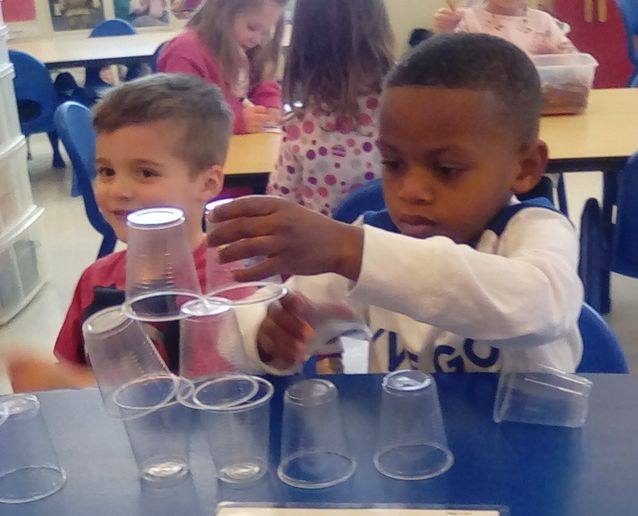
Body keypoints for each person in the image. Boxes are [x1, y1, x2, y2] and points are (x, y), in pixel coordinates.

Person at [208, 34, 584, 375]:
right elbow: (239, 330)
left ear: (526, 167)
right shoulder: (379, 238)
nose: (411, 190)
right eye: (393, 163)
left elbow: (540, 307)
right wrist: (267, 335)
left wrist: (350, 249)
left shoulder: (535, 230)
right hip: (409, 444)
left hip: (528, 445)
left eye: (447, 169)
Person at [7, 74, 235, 392]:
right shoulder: (95, 280)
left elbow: (211, 395)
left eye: (146, 172)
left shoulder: (227, 281)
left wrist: (69, 383)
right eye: (106, 171)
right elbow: (69, 371)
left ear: (207, 183)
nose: (118, 190)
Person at [266, 0, 394, 216]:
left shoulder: (301, 126)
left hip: (320, 248)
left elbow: (278, 208)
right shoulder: (407, 111)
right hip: (394, 247)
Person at [157, 0, 287, 134]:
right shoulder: (184, 52)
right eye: (252, 27)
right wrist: (236, 122)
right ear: (222, 11)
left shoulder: (246, 47)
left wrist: (271, 105)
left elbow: (263, 84)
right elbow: (182, 119)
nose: (257, 39)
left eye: (265, 32)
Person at [434, 0, 577, 55]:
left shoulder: (543, 22)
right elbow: (451, 69)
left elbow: (576, 68)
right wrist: (446, 33)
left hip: (537, 104)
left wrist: (556, 54)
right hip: (483, 107)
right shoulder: (467, 20)